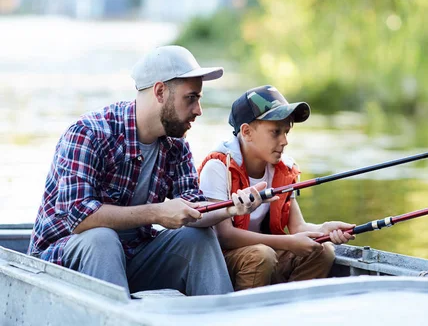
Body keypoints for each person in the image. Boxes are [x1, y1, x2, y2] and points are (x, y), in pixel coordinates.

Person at [28, 45, 266, 296]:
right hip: (60, 264)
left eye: (199, 99)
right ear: (160, 91)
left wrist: (230, 207)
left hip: (133, 256)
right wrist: (157, 213)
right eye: (191, 98)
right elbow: (79, 217)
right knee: (102, 239)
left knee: (200, 237)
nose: (199, 110)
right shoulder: (89, 133)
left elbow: (195, 208)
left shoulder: (176, 144)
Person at [197, 85, 355, 291]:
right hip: (221, 261)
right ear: (246, 132)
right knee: (262, 255)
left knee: (323, 250)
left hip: (267, 254)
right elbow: (225, 236)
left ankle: (290, 311)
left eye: (287, 132)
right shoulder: (218, 167)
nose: (285, 141)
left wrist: (324, 229)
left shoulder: (283, 169)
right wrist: (288, 242)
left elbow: (298, 228)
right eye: (275, 132)